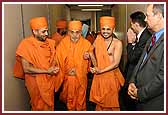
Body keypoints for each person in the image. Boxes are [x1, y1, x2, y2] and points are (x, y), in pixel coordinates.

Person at [13, 17, 59, 111]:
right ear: (34, 31)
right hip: (35, 83)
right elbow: (26, 68)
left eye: (47, 31)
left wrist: (54, 68)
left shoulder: (50, 43)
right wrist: (47, 71)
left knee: (49, 105)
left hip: (49, 81)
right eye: (43, 32)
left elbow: (52, 60)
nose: (46, 34)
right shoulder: (26, 45)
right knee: (38, 106)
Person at [128, 4, 164, 111]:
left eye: (147, 16)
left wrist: (140, 93)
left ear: (159, 16)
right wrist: (132, 81)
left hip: (154, 102)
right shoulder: (152, 38)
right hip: (141, 99)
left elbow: (163, 78)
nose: (145, 19)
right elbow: (140, 63)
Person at [55, 20, 97, 111]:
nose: (74, 35)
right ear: (68, 32)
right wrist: (65, 71)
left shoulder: (86, 44)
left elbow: (94, 63)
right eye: (72, 32)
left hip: (81, 79)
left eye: (77, 32)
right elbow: (57, 61)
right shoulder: (63, 44)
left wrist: (89, 56)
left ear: (81, 32)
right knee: (70, 101)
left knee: (81, 101)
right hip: (68, 78)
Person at [89, 16, 125, 111]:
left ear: (113, 29)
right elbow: (90, 51)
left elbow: (116, 63)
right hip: (99, 77)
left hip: (112, 78)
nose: (105, 32)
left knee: (111, 104)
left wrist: (100, 70)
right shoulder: (98, 40)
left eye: (108, 29)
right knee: (100, 105)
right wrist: (95, 66)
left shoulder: (117, 43)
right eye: (103, 29)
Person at [121, 11, 152, 111]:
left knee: (130, 105)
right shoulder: (142, 36)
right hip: (132, 75)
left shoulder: (146, 37)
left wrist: (130, 42)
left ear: (136, 24)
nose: (130, 27)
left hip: (137, 79)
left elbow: (132, 58)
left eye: (131, 24)